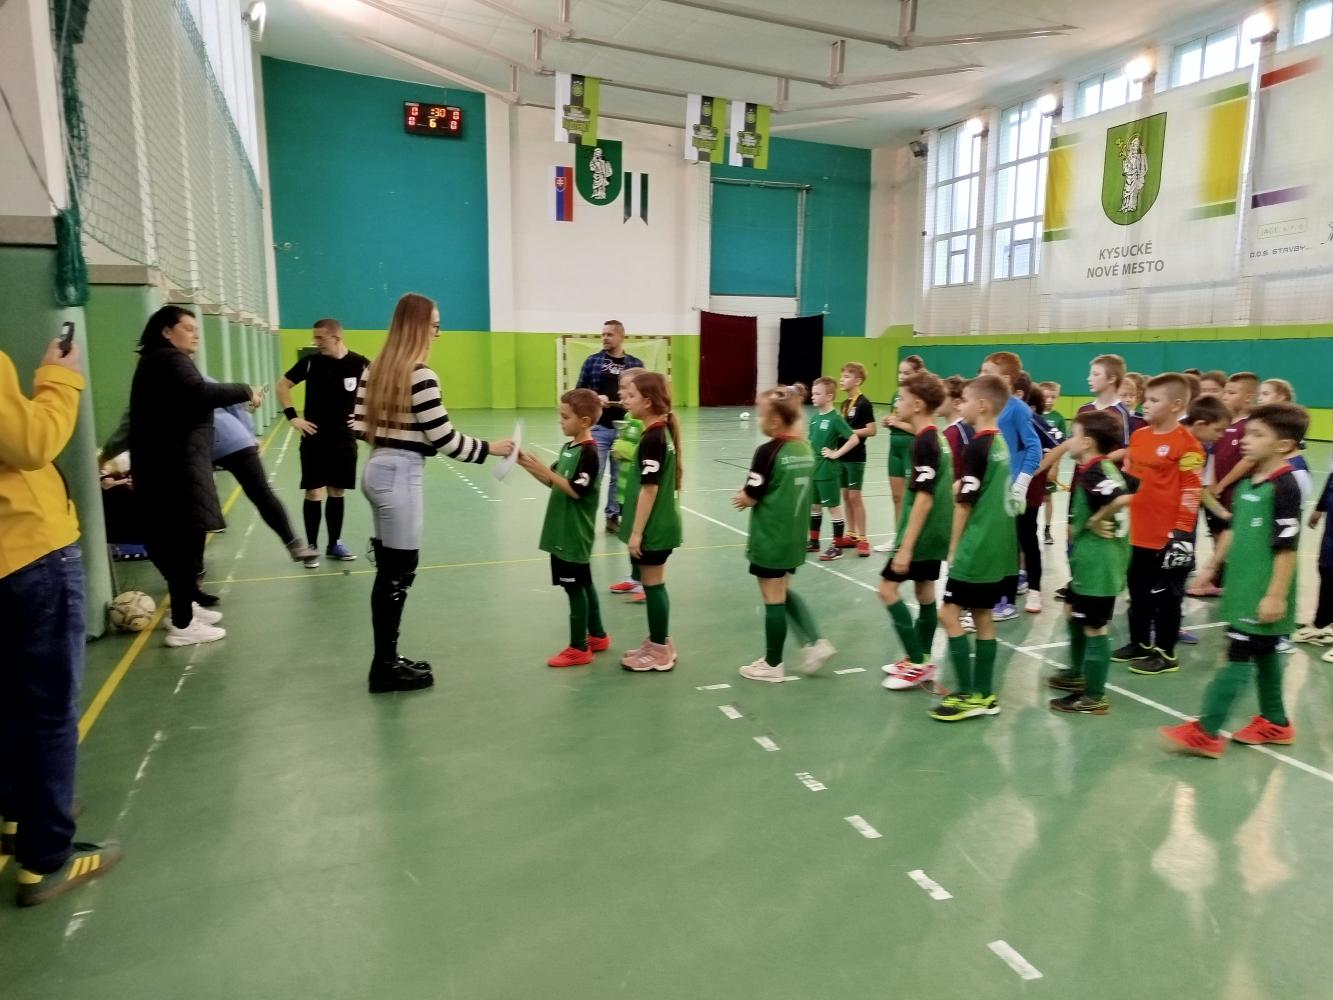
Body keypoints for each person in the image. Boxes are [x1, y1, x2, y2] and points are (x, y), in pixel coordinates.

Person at [0, 339, 124, 906]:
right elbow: (32, 443)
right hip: (27, 551)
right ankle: (46, 857)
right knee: (48, 711)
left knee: (7, 701)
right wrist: (59, 376)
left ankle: (17, 811)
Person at [352, 293, 512, 694]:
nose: (438, 333)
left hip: (376, 468)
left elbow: (357, 424)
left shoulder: (374, 369)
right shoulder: (420, 375)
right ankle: (384, 667)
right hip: (401, 475)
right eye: (435, 325)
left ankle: (387, 659)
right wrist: (490, 448)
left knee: (390, 570)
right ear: (419, 327)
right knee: (398, 573)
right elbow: (445, 439)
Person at [1162, 403, 1309, 757]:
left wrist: (1276, 595)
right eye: (1246, 433)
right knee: (1265, 652)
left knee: (1239, 653)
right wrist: (1211, 567)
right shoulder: (1246, 483)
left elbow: (1287, 548)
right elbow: (1233, 528)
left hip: (1264, 590)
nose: (1245, 440)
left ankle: (1207, 732)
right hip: (1242, 587)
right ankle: (1276, 722)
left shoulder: (1285, 486)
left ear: (1284, 445)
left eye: (1257, 435)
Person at [129, 307, 259, 647]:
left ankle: (184, 607)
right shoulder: (169, 360)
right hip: (174, 469)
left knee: (184, 541)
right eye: (187, 328)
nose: (195, 334)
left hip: (173, 466)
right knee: (181, 544)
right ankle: (183, 625)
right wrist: (245, 390)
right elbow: (200, 393)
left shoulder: (159, 361)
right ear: (166, 332)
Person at [101, 383, 317, 563]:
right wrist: (249, 433)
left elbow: (126, 430)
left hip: (208, 445)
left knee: (196, 509)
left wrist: (102, 459)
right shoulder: (193, 376)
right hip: (229, 440)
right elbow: (233, 400)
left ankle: (197, 573)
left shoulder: (151, 387)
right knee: (259, 493)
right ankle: (294, 543)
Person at [732, 386, 836, 682]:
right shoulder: (804, 448)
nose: (758, 420)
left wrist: (741, 498)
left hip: (771, 537)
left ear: (775, 421)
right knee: (782, 591)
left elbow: (752, 495)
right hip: (795, 536)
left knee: (773, 598)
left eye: (761, 414)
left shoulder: (768, 451)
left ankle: (773, 663)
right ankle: (815, 642)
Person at [931, 375, 1017, 722]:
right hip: (999, 546)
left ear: (981, 405)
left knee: (948, 615)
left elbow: (965, 504)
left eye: (964, 399)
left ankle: (969, 693)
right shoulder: (1000, 442)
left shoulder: (978, 446)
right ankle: (985, 693)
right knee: (982, 616)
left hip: (977, 545)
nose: (960, 404)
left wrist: (953, 549)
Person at [1110, 374, 1204, 676]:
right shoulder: (1139, 437)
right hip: (1138, 532)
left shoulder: (1189, 446)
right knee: (1138, 592)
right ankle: (1139, 643)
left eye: (1154, 400)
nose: (1145, 405)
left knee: (1167, 598)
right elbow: (1130, 480)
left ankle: (1166, 654)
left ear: (1176, 405)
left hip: (1168, 537)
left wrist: (1181, 533)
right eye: (1145, 399)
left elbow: (1192, 490)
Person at [1046, 411, 1133, 715]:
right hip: (1089, 561)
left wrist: (1097, 519)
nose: (1068, 440)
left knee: (1095, 628)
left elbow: (1122, 498)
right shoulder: (1097, 468)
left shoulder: (1097, 471)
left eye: (1073, 434)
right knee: (1072, 609)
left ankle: (1094, 697)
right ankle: (1077, 672)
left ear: (1087, 442)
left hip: (1100, 565)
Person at [518, 389, 611, 668]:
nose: (560, 421)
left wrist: (546, 470)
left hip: (574, 533)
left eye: (565, 417)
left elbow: (575, 491)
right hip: (561, 530)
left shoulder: (590, 453)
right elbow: (553, 482)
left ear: (584, 421)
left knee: (574, 589)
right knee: (584, 582)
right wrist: (526, 464)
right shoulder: (569, 448)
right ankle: (597, 635)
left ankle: (579, 648)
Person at [879, 371, 954, 692]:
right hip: (935, 532)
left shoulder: (924, 442)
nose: (898, 403)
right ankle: (921, 656)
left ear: (918, 404)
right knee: (924, 592)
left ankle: (917, 661)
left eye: (902, 398)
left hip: (920, 534)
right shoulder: (938, 438)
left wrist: (906, 547)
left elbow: (924, 498)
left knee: (887, 590)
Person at [277, 319, 369, 569]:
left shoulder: (360, 364)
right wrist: (293, 417)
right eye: (314, 337)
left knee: (337, 491)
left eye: (320, 338)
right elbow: (282, 386)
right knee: (314, 491)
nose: (315, 342)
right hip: (314, 438)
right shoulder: (310, 362)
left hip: (344, 439)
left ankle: (334, 544)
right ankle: (312, 547)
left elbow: (380, 390)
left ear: (336, 338)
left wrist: (363, 417)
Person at [617, 371, 683, 672]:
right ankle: (661, 641)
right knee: (653, 584)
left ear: (647, 401)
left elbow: (649, 489)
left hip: (655, 528)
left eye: (631, 395)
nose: (625, 399)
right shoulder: (655, 431)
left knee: (654, 586)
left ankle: (659, 651)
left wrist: (636, 533)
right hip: (657, 525)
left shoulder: (654, 437)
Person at [978, 352, 1039, 621]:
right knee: (994, 543)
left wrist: (1021, 484)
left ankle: (1006, 601)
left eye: (986, 372)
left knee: (1009, 545)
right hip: (990, 486)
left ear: (1004, 379)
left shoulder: (1018, 408)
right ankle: (991, 592)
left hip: (1009, 487)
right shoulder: (985, 405)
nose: (980, 376)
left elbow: (1034, 448)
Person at [1190, 371, 1259, 596]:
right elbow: (1208, 462)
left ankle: (1230, 579)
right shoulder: (1214, 431)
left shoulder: (1248, 426)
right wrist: (1211, 486)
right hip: (1211, 494)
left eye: (1231, 392)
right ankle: (1218, 579)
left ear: (1248, 397)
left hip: (1230, 493)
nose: (1225, 396)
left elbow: (1248, 460)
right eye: (1226, 392)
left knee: (1230, 536)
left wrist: (1221, 487)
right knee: (1218, 534)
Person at [574, 320, 644, 535]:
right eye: (603, 334)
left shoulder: (635, 364)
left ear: (621, 336)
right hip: (599, 428)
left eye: (609, 334)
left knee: (618, 476)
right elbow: (579, 392)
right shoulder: (592, 361)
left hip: (626, 430)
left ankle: (612, 516)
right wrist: (595, 397)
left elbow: (644, 394)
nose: (605, 338)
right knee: (594, 473)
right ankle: (586, 515)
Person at [606, 367, 648, 602]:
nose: (620, 393)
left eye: (626, 389)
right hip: (624, 491)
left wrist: (623, 449)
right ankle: (635, 577)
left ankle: (648, 582)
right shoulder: (628, 419)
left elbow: (646, 454)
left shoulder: (644, 423)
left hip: (638, 492)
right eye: (620, 388)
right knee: (630, 537)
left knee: (641, 539)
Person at [876, 354, 926, 552]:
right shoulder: (896, 395)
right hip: (894, 449)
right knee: (897, 497)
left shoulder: (920, 398)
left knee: (910, 499)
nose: (902, 376)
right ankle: (898, 537)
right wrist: (889, 422)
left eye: (907, 373)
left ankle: (912, 539)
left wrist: (897, 423)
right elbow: (897, 420)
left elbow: (920, 429)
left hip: (910, 449)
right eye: (900, 372)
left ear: (918, 373)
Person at [807, 376, 854, 560]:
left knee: (833, 507)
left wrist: (836, 454)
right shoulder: (814, 419)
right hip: (814, 469)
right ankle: (814, 541)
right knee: (814, 506)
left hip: (828, 470)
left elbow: (853, 438)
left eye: (817, 393)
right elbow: (812, 443)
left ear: (829, 396)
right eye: (812, 393)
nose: (813, 396)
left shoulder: (835, 419)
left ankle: (838, 547)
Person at [836, 363, 877, 557]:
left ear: (858, 381)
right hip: (842, 454)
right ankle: (851, 534)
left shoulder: (864, 403)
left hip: (856, 457)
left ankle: (863, 538)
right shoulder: (844, 404)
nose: (841, 379)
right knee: (845, 496)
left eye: (846, 377)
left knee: (855, 497)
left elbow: (872, 430)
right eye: (842, 376)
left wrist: (849, 432)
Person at [1080, 354, 1134, 447]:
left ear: (1112, 378)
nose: (1089, 378)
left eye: (1095, 374)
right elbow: (1073, 442)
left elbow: (1125, 449)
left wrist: (1098, 457)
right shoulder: (1083, 410)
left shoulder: (1121, 413)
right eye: (1090, 374)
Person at [1038, 380, 1065, 545]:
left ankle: (1047, 530)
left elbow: (1061, 447)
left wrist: (1055, 467)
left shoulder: (1058, 418)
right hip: (1034, 465)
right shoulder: (1034, 416)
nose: (1049, 400)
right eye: (1045, 397)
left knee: (1048, 498)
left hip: (1049, 466)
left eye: (1053, 397)